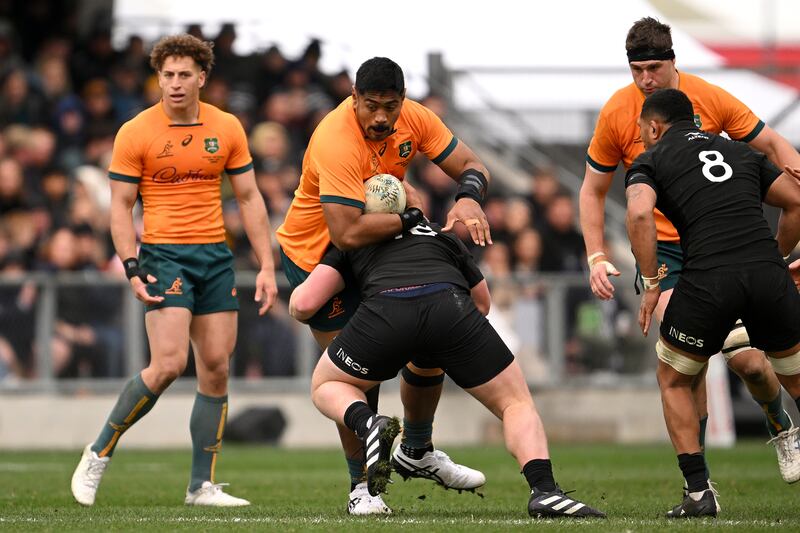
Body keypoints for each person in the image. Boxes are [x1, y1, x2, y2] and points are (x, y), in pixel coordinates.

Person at [579, 16, 800, 483]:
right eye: (636, 69)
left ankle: (779, 422)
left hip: (719, 244)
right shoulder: (618, 111)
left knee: (751, 363)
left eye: (654, 68)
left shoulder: (710, 97)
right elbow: (593, 190)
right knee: (685, 365)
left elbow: (772, 143)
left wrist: (793, 170)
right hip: (663, 255)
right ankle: (698, 483)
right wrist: (596, 254)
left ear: (673, 62)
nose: (645, 79)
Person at [275, 56, 492, 515]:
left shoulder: (414, 118)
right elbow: (345, 233)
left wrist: (469, 196)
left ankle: (416, 449)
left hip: (377, 247)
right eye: (370, 105)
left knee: (428, 338)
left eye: (389, 107)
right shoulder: (335, 139)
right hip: (317, 256)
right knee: (355, 373)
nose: (380, 117)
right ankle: (362, 490)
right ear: (353, 99)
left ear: (403, 101)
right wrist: (411, 216)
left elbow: (472, 163)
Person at [70, 34, 277, 507]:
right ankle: (98, 451)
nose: (176, 83)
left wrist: (266, 265)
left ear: (202, 77)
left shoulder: (226, 126)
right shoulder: (136, 131)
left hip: (216, 258)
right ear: (158, 78)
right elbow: (121, 208)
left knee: (217, 369)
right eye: (168, 75)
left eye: (185, 75)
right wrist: (130, 266)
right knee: (167, 365)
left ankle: (200, 486)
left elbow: (248, 197)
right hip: (164, 255)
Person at [289, 215, 606, 519]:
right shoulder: (443, 236)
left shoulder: (352, 240)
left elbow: (303, 304)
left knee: (326, 385)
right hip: (450, 308)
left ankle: (370, 424)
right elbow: (482, 303)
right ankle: (544, 489)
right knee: (515, 403)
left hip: (387, 313)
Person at [626, 88, 800, 517]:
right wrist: (776, 259)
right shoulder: (738, 151)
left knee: (673, 378)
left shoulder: (650, 159)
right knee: (794, 377)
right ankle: (780, 423)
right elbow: (796, 202)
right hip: (766, 275)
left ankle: (699, 493)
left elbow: (639, 214)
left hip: (708, 281)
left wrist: (650, 284)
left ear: (653, 127)